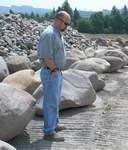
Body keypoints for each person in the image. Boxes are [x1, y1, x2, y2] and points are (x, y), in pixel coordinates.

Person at [37, 11, 71, 142]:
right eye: (66, 24)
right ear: (58, 20)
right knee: (50, 102)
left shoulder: (57, 32)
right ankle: (48, 132)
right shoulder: (49, 34)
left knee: (55, 100)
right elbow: (47, 56)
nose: (67, 26)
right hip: (51, 72)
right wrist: (55, 69)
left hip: (55, 72)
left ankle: (54, 125)